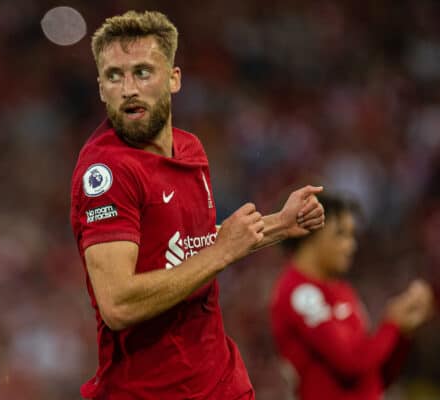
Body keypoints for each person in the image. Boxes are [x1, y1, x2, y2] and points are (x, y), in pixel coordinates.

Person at [70, 11, 325, 399]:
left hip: (219, 381)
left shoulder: (190, 150)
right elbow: (118, 304)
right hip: (149, 392)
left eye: (142, 72)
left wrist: (279, 225)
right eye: (114, 76)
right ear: (101, 89)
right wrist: (222, 253)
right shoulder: (107, 172)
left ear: (174, 79)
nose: (128, 89)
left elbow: (192, 249)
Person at [270, 193, 435, 400]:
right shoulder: (298, 292)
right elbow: (350, 362)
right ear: (310, 234)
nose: (351, 245)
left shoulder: (342, 291)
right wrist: (392, 322)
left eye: (352, 235)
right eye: (341, 234)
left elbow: (375, 375)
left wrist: (402, 333)